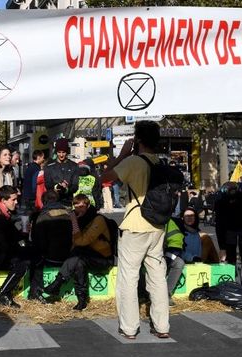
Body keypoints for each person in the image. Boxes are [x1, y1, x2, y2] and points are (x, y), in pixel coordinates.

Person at [101, 120, 170, 340]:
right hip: (158, 226)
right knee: (157, 277)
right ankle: (162, 326)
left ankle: (129, 328)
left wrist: (122, 154)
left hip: (135, 225)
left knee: (128, 278)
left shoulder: (133, 162)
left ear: (137, 140)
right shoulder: (161, 163)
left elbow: (105, 178)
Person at [43, 194, 113, 310]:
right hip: (85, 255)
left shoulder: (98, 219)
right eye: (76, 207)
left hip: (103, 258)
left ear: (88, 206)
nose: (79, 209)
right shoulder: (81, 220)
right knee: (78, 262)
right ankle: (82, 300)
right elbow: (75, 244)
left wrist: (74, 222)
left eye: (82, 206)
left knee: (77, 258)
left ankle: (57, 283)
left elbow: (82, 241)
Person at [30, 190, 74, 302]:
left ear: (44, 202)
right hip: (69, 257)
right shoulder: (70, 214)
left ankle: (35, 292)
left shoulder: (43, 216)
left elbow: (37, 242)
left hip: (51, 258)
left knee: (32, 255)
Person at [44, 138, 79, 207]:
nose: (61, 155)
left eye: (63, 152)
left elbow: (75, 186)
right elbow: (47, 184)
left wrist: (66, 189)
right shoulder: (49, 166)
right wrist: (56, 187)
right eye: (59, 152)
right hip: (53, 201)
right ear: (56, 152)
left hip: (68, 202)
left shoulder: (74, 166)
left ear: (67, 152)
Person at [163, 216, 186, 306]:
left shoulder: (167, 221)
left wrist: (168, 259)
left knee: (179, 263)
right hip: (142, 253)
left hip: (162, 254)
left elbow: (176, 240)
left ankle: (166, 294)